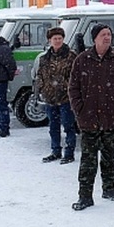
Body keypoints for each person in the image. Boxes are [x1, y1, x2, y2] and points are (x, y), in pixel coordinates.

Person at [68, 23, 114, 211]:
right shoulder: (82, 60)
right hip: (88, 118)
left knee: (109, 157)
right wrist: (79, 109)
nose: (107, 37)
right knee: (88, 160)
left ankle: (109, 189)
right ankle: (85, 197)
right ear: (95, 38)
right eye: (103, 34)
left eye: (109, 34)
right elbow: (73, 88)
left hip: (111, 118)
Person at [35, 27, 77, 164]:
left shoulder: (71, 56)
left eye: (60, 38)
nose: (57, 41)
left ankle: (69, 153)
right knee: (53, 127)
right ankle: (55, 151)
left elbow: (76, 76)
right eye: (55, 39)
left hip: (66, 98)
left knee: (68, 126)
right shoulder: (45, 58)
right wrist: (41, 89)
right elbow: (40, 75)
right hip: (50, 98)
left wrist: (66, 86)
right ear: (50, 40)